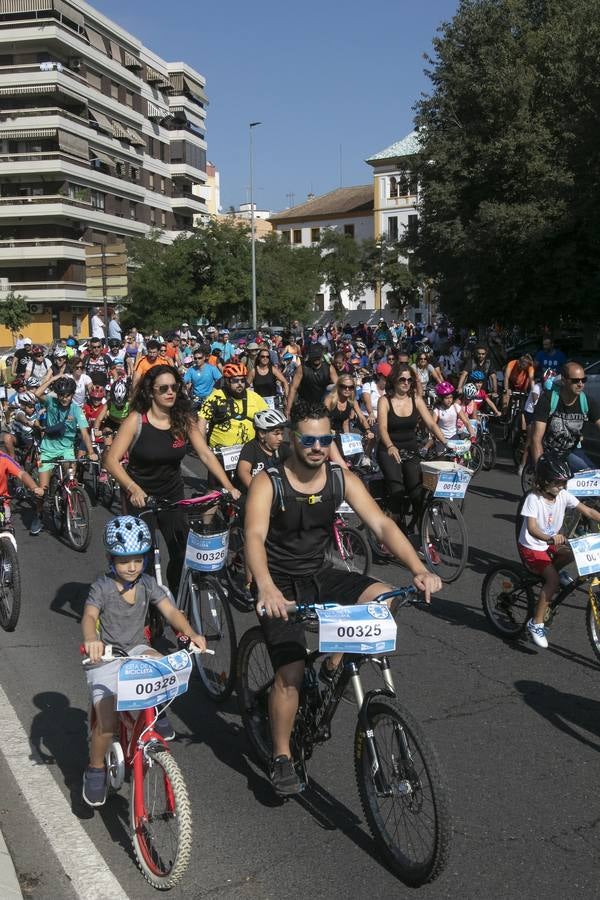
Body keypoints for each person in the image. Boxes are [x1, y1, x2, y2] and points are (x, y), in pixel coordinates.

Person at [244, 400, 442, 795]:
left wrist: (418, 568)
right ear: (293, 438)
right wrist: (264, 586)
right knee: (291, 673)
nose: (318, 446)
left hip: (318, 574)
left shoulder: (339, 478)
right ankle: (281, 755)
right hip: (278, 582)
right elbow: (253, 536)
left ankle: (334, 662)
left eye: (325, 439)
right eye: (309, 439)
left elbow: (382, 525)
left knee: (384, 597)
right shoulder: (270, 481)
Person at [81, 515, 207, 807]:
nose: (132, 567)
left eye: (138, 560)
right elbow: (89, 617)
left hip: (136, 649)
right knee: (108, 721)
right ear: (112, 559)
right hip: (106, 657)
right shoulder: (101, 588)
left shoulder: (148, 584)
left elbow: (172, 611)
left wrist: (190, 633)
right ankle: (96, 767)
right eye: (125, 561)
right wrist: (92, 641)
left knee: (161, 663)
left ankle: (155, 711)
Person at [104, 365, 239, 593]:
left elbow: (205, 454)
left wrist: (229, 487)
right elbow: (111, 461)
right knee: (141, 560)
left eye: (174, 387)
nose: (170, 392)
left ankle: (179, 603)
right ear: (150, 392)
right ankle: (146, 611)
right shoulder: (136, 421)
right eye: (163, 388)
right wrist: (133, 488)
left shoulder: (183, 420)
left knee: (182, 554)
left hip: (172, 495)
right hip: (141, 496)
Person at [518, 454, 600, 649]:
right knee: (553, 581)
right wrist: (549, 538)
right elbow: (531, 528)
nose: (562, 486)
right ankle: (536, 623)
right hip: (532, 546)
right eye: (558, 482)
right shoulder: (533, 498)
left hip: (550, 543)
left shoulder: (562, 495)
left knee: (574, 552)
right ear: (544, 481)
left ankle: (552, 570)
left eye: (563, 483)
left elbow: (587, 511)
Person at [376, 366, 448, 521]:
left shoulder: (416, 399)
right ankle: (389, 530)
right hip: (389, 450)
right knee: (397, 490)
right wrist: (390, 446)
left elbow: (431, 424)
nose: (406, 383)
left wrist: (446, 442)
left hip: (410, 449)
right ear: (394, 380)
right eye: (402, 379)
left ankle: (423, 535)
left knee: (417, 493)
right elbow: (382, 428)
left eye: (409, 380)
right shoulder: (384, 401)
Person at [30, 376, 98, 535]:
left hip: (66, 449)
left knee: (71, 479)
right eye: (61, 395)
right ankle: (39, 515)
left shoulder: (76, 409)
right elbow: (37, 393)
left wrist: (91, 452)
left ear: (72, 394)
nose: (64, 398)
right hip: (48, 449)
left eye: (67, 395)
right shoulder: (51, 402)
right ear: (57, 394)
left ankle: (70, 502)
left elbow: (85, 433)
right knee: (42, 489)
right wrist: (56, 377)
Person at [531, 360, 600, 471]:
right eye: (575, 381)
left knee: (591, 474)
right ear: (564, 380)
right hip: (549, 451)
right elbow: (536, 439)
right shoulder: (548, 399)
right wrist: (540, 470)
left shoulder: (587, 402)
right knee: (551, 483)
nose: (581, 384)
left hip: (572, 451)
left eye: (584, 380)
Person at [199, 363, 268, 451]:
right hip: (221, 452)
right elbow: (202, 422)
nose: (240, 384)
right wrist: (204, 448)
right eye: (235, 381)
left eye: (242, 380)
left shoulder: (254, 397)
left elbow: (268, 419)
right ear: (227, 381)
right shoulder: (216, 397)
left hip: (249, 451)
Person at [235, 409, 290, 491]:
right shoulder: (251, 448)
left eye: (282, 434)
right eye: (276, 434)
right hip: (252, 494)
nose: (280, 438)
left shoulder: (283, 448)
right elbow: (243, 472)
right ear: (262, 433)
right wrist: (257, 492)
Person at [286, 344, 337, 415]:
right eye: (314, 356)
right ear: (309, 355)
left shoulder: (329, 368)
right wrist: (288, 409)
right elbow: (293, 388)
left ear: (322, 355)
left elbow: (339, 386)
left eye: (318, 356)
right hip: (305, 405)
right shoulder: (302, 368)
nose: (316, 359)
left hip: (322, 405)